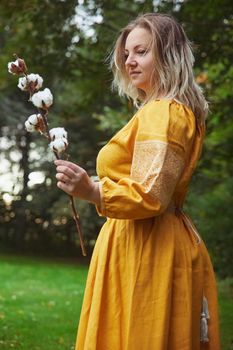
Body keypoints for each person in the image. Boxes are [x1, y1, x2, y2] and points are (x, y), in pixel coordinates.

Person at [55, 13, 221, 350]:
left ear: (168, 55)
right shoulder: (160, 110)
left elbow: (150, 196)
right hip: (142, 240)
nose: (129, 61)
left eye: (141, 52)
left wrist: (92, 190)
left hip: (150, 246)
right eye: (127, 53)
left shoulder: (165, 111)